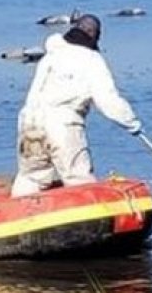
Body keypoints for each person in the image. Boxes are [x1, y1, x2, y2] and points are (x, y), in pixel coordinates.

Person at [10, 14, 142, 198]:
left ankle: (18, 217)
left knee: (31, 177)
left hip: (29, 122)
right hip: (62, 125)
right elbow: (108, 100)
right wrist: (131, 122)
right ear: (95, 34)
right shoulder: (91, 60)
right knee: (78, 179)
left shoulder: (52, 55)